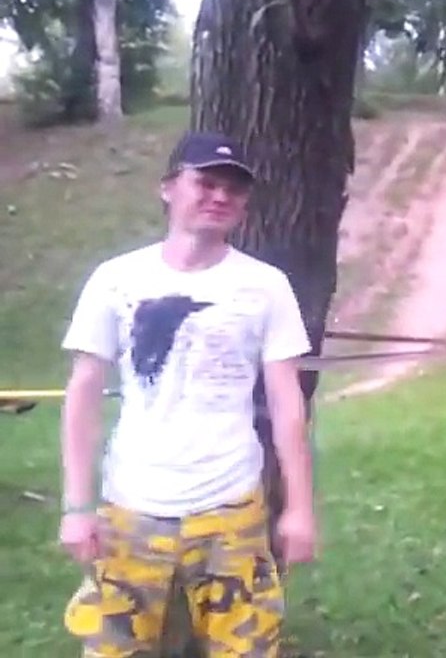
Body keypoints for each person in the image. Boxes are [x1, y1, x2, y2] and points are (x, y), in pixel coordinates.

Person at [57, 130, 317, 657]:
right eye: (206, 183)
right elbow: (83, 393)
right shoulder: (116, 279)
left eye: (234, 189)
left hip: (232, 511)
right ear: (168, 188)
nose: (220, 197)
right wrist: (76, 506)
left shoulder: (266, 286)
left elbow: (287, 403)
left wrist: (300, 509)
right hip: (130, 510)